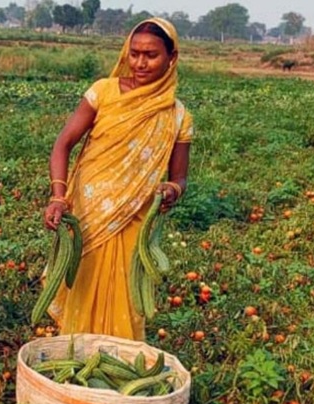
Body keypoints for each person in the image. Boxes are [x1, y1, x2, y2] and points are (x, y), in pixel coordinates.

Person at [43, 18, 193, 341]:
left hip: (134, 219)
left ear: (172, 57)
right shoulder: (103, 92)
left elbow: (180, 178)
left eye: (150, 55)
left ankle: (116, 367)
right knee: (82, 288)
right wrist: (58, 196)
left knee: (125, 298)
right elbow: (63, 144)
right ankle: (75, 361)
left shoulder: (178, 115)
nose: (139, 62)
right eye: (134, 53)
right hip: (89, 213)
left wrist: (173, 189)